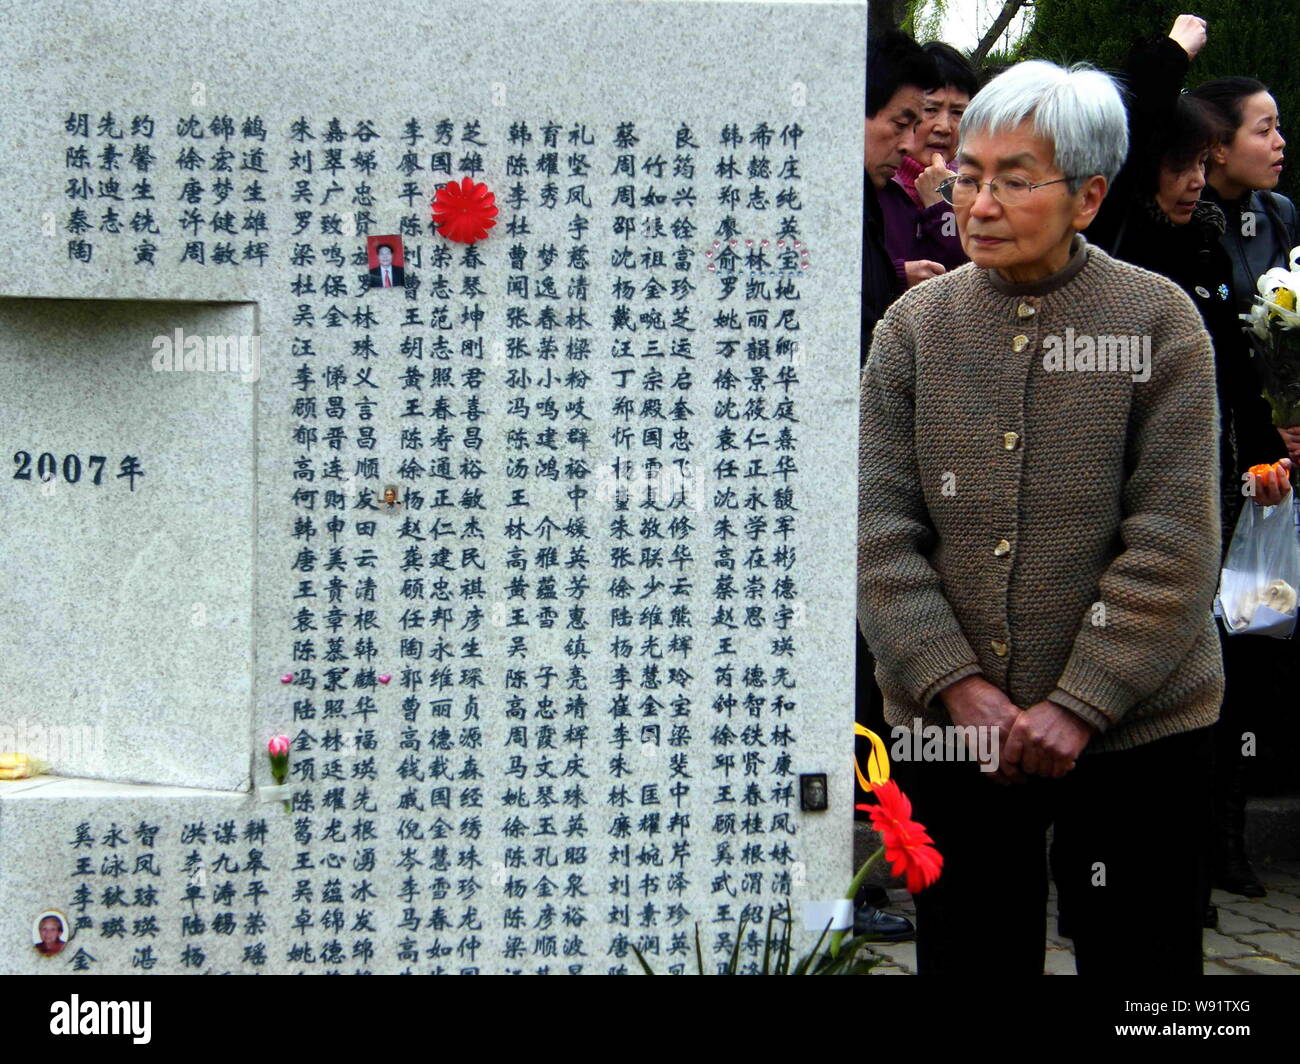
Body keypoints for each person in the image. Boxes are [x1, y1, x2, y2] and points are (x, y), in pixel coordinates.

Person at [858, 58, 1224, 975]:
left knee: (1146, 965)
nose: (977, 202)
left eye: (1013, 181)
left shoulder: (1158, 323)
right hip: (955, 728)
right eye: (968, 174)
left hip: (1139, 728)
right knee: (971, 949)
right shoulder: (914, 328)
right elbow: (880, 532)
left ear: (1089, 197)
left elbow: (1174, 540)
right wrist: (957, 684)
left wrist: (1079, 701)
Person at [856, 29, 940, 943]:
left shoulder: (885, 201)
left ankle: (879, 866)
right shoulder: (828, 199)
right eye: (900, 121)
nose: (913, 142)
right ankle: (864, 875)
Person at [881, 41, 979, 278]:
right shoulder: (876, 181)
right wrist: (898, 276)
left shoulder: (980, 189)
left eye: (957, 113)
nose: (944, 127)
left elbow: (970, 276)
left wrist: (943, 203)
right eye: (930, 109)